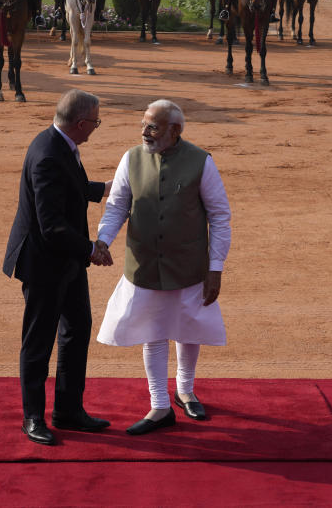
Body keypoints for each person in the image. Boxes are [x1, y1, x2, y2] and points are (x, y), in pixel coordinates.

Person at [96, 99, 231, 436]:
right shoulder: (130, 159)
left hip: (188, 264)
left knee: (189, 327)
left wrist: (215, 267)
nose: (145, 132)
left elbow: (219, 215)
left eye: (153, 126)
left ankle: (185, 390)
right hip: (144, 264)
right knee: (152, 331)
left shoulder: (201, 162)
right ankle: (159, 405)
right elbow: (117, 207)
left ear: (175, 131)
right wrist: (102, 241)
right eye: (143, 124)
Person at [3, 89, 113, 446]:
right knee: (38, 341)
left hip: (66, 260)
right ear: (81, 123)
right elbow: (50, 224)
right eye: (96, 122)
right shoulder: (49, 155)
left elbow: (73, 187)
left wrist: (106, 189)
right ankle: (32, 416)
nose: (97, 127)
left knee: (76, 328)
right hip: (44, 263)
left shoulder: (58, 142)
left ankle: (67, 409)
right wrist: (91, 249)